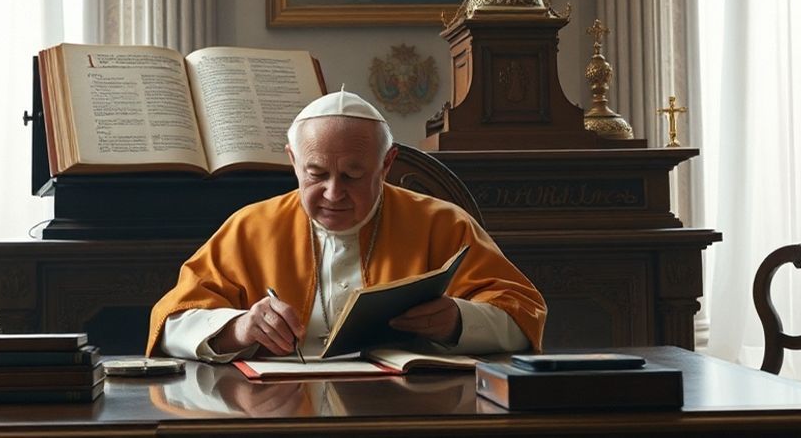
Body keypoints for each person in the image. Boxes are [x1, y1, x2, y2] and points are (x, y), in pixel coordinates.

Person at [146, 89, 546, 361]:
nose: (334, 193)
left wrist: (459, 321)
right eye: (316, 174)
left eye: (353, 176)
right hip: (274, 410)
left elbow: (524, 314)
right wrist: (239, 327)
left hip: (407, 411)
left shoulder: (442, 224)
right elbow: (172, 320)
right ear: (293, 161)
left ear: (386, 164)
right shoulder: (250, 227)